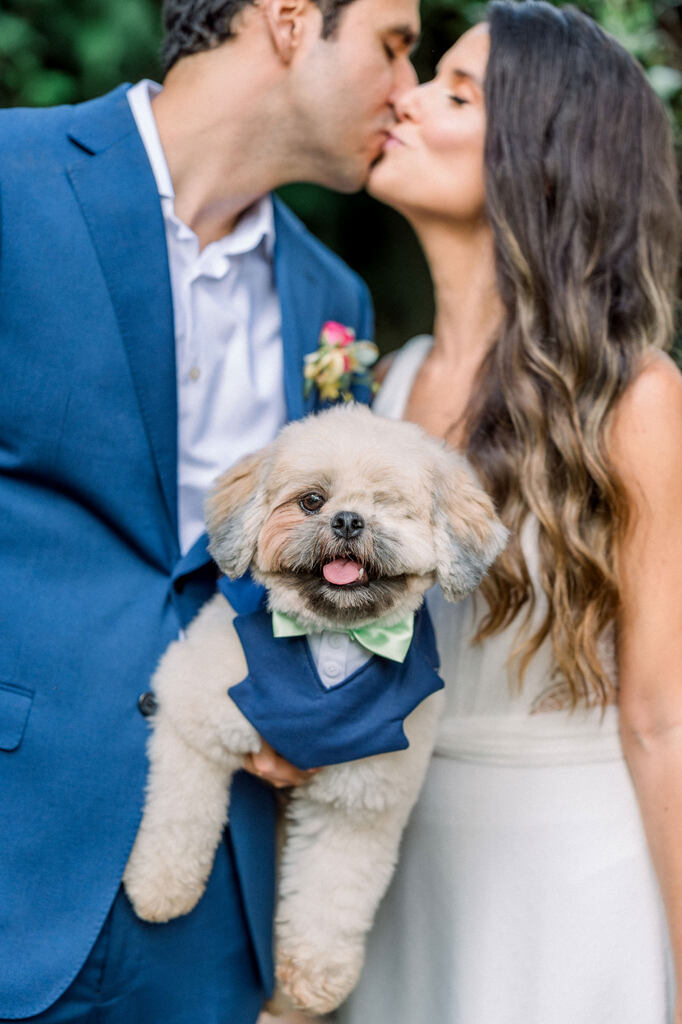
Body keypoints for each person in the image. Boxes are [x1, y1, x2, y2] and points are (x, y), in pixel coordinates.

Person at [0, 0, 419, 1020]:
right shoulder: (13, 178)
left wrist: (318, 716)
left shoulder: (336, 301)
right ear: (286, 21)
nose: (406, 92)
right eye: (394, 45)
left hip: (213, 882)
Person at [335, 3, 682, 1022]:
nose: (404, 98)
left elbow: (663, 719)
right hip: (403, 873)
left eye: (455, 90)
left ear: (535, 155)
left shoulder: (636, 401)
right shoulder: (379, 388)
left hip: (574, 884)